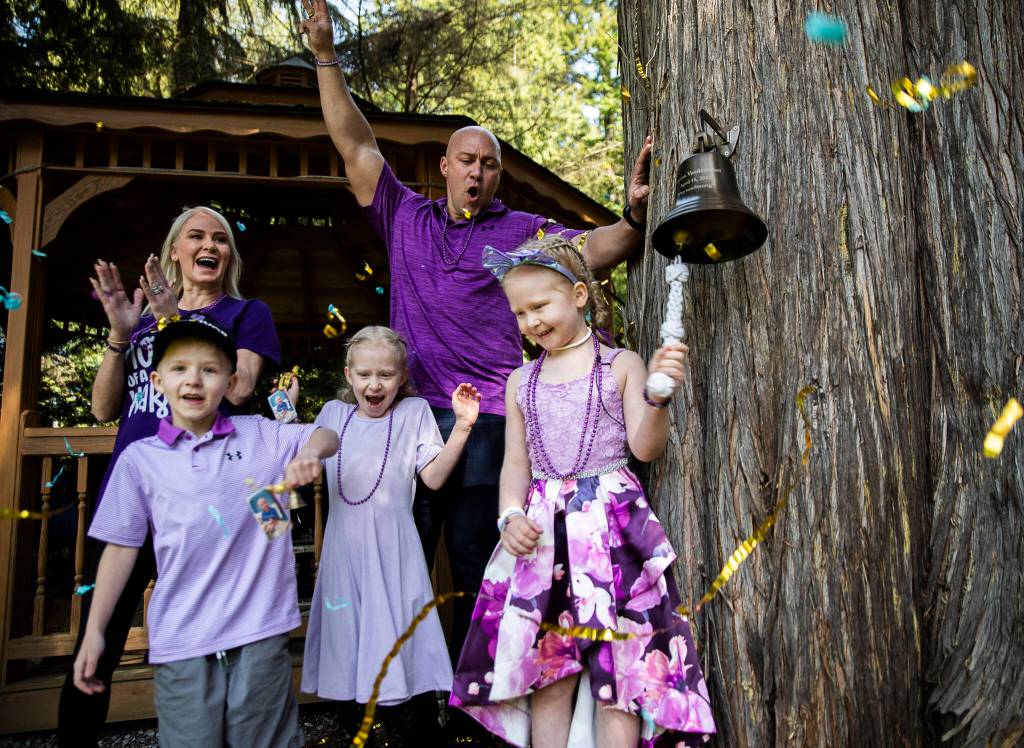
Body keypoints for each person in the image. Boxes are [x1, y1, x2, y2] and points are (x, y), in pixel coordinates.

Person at [299, 0, 655, 671]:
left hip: (491, 420)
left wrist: (635, 217)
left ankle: (468, 695)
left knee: (472, 565)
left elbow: (592, 253)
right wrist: (325, 53)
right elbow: (354, 144)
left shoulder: (519, 233)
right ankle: (401, 693)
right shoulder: (405, 216)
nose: (477, 173)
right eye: (467, 160)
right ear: (444, 166)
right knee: (403, 559)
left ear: (496, 176)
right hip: (412, 418)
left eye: (489, 165)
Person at [449, 237, 716, 747]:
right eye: (519, 313)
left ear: (577, 295)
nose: (529, 322)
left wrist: (657, 398)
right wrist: (509, 515)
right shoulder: (520, 381)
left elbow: (645, 447)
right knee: (550, 669)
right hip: (545, 538)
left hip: (612, 533)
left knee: (620, 674)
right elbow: (516, 464)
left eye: (539, 306)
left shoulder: (620, 365)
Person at [59, 206, 286, 746]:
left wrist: (173, 322)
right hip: (133, 493)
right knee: (101, 632)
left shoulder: (246, 312)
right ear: (174, 251)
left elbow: (240, 390)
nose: (210, 245)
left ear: (229, 254)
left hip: (203, 497)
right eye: (196, 236)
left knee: (211, 635)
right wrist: (120, 337)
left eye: (221, 239)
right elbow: (101, 408)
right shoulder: (139, 318)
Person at [72, 315, 339, 748]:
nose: (194, 380)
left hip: (260, 631)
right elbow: (121, 549)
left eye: (210, 370)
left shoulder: (260, 435)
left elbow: (329, 436)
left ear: (230, 382)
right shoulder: (139, 460)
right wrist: (96, 631)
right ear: (157, 381)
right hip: (181, 639)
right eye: (180, 369)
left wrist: (308, 450)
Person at [301, 326, 481, 745]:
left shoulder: (413, 412)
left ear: (401, 378)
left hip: (395, 545)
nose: (374, 384)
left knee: (401, 625)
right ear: (349, 375)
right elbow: (308, 454)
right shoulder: (332, 414)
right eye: (364, 374)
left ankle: (415, 723)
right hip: (345, 546)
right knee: (350, 627)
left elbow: (434, 478)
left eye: (385, 374)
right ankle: (354, 722)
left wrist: (463, 427)